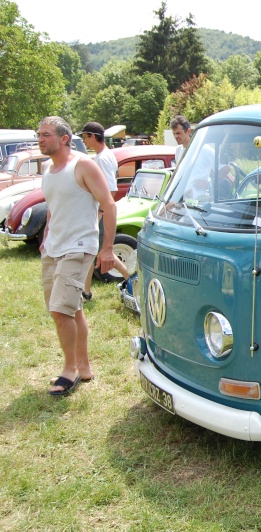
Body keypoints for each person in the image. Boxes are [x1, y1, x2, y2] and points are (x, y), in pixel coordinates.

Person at [37, 116, 116, 396]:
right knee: (70, 309)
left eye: (46, 134)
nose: (40, 138)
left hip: (79, 246)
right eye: (39, 134)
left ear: (64, 139)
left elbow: (108, 204)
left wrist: (106, 249)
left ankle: (68, 370)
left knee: (61, 309)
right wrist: (46, 237)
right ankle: (83, 367)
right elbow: (53, 208)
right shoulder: (47, 168)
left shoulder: (83, 165)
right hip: (54, 248)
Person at [78, 122, 129, 300]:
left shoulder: (103, 158)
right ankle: (86, 291)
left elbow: (111, 190)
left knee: (99, 251)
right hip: (98, 211)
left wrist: (100, 212)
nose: (84, 141)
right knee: (91, 251)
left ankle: (130, 279)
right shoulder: (103, 156)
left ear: (93, 136)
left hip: (101, 213)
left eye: (85, 137)